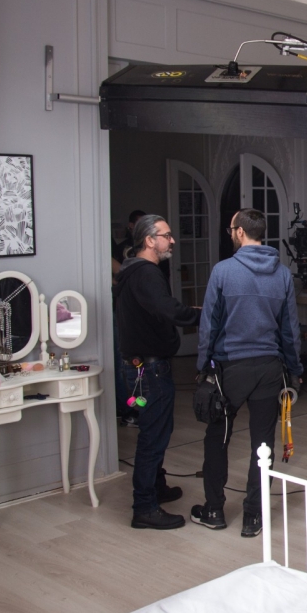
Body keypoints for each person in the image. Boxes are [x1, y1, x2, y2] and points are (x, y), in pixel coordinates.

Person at [191, 209, 303, 538]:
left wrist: (202, 367)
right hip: (269, 368)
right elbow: (290, 330)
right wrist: (294, 370)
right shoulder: (282, 274)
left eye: (231, 228)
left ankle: (214, 510)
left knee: (217, 439)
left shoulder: (223, 271)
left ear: (240, 232)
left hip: (230, 369)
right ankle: (253, 516)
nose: (230, 233)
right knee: (262, 442)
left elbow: (209, 325)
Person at [114, 215, 202, 530]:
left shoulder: (130, 271)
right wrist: (204, 315)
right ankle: (145, 507)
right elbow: (169, 309)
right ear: (150, 240)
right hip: (149, 370)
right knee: (153, 437)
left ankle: (157, 487)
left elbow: (156, 311)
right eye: (166, 235)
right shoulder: (146, 273)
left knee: (157, 431)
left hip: (139, 367)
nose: (172, 240)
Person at [113, 209, 146, 425]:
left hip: (144, 311)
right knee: (126, 362)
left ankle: (139, 409)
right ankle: (129, 410)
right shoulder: (122, 249)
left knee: (140, 364)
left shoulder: (152, 261)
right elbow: (118, 275)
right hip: (124, 310)